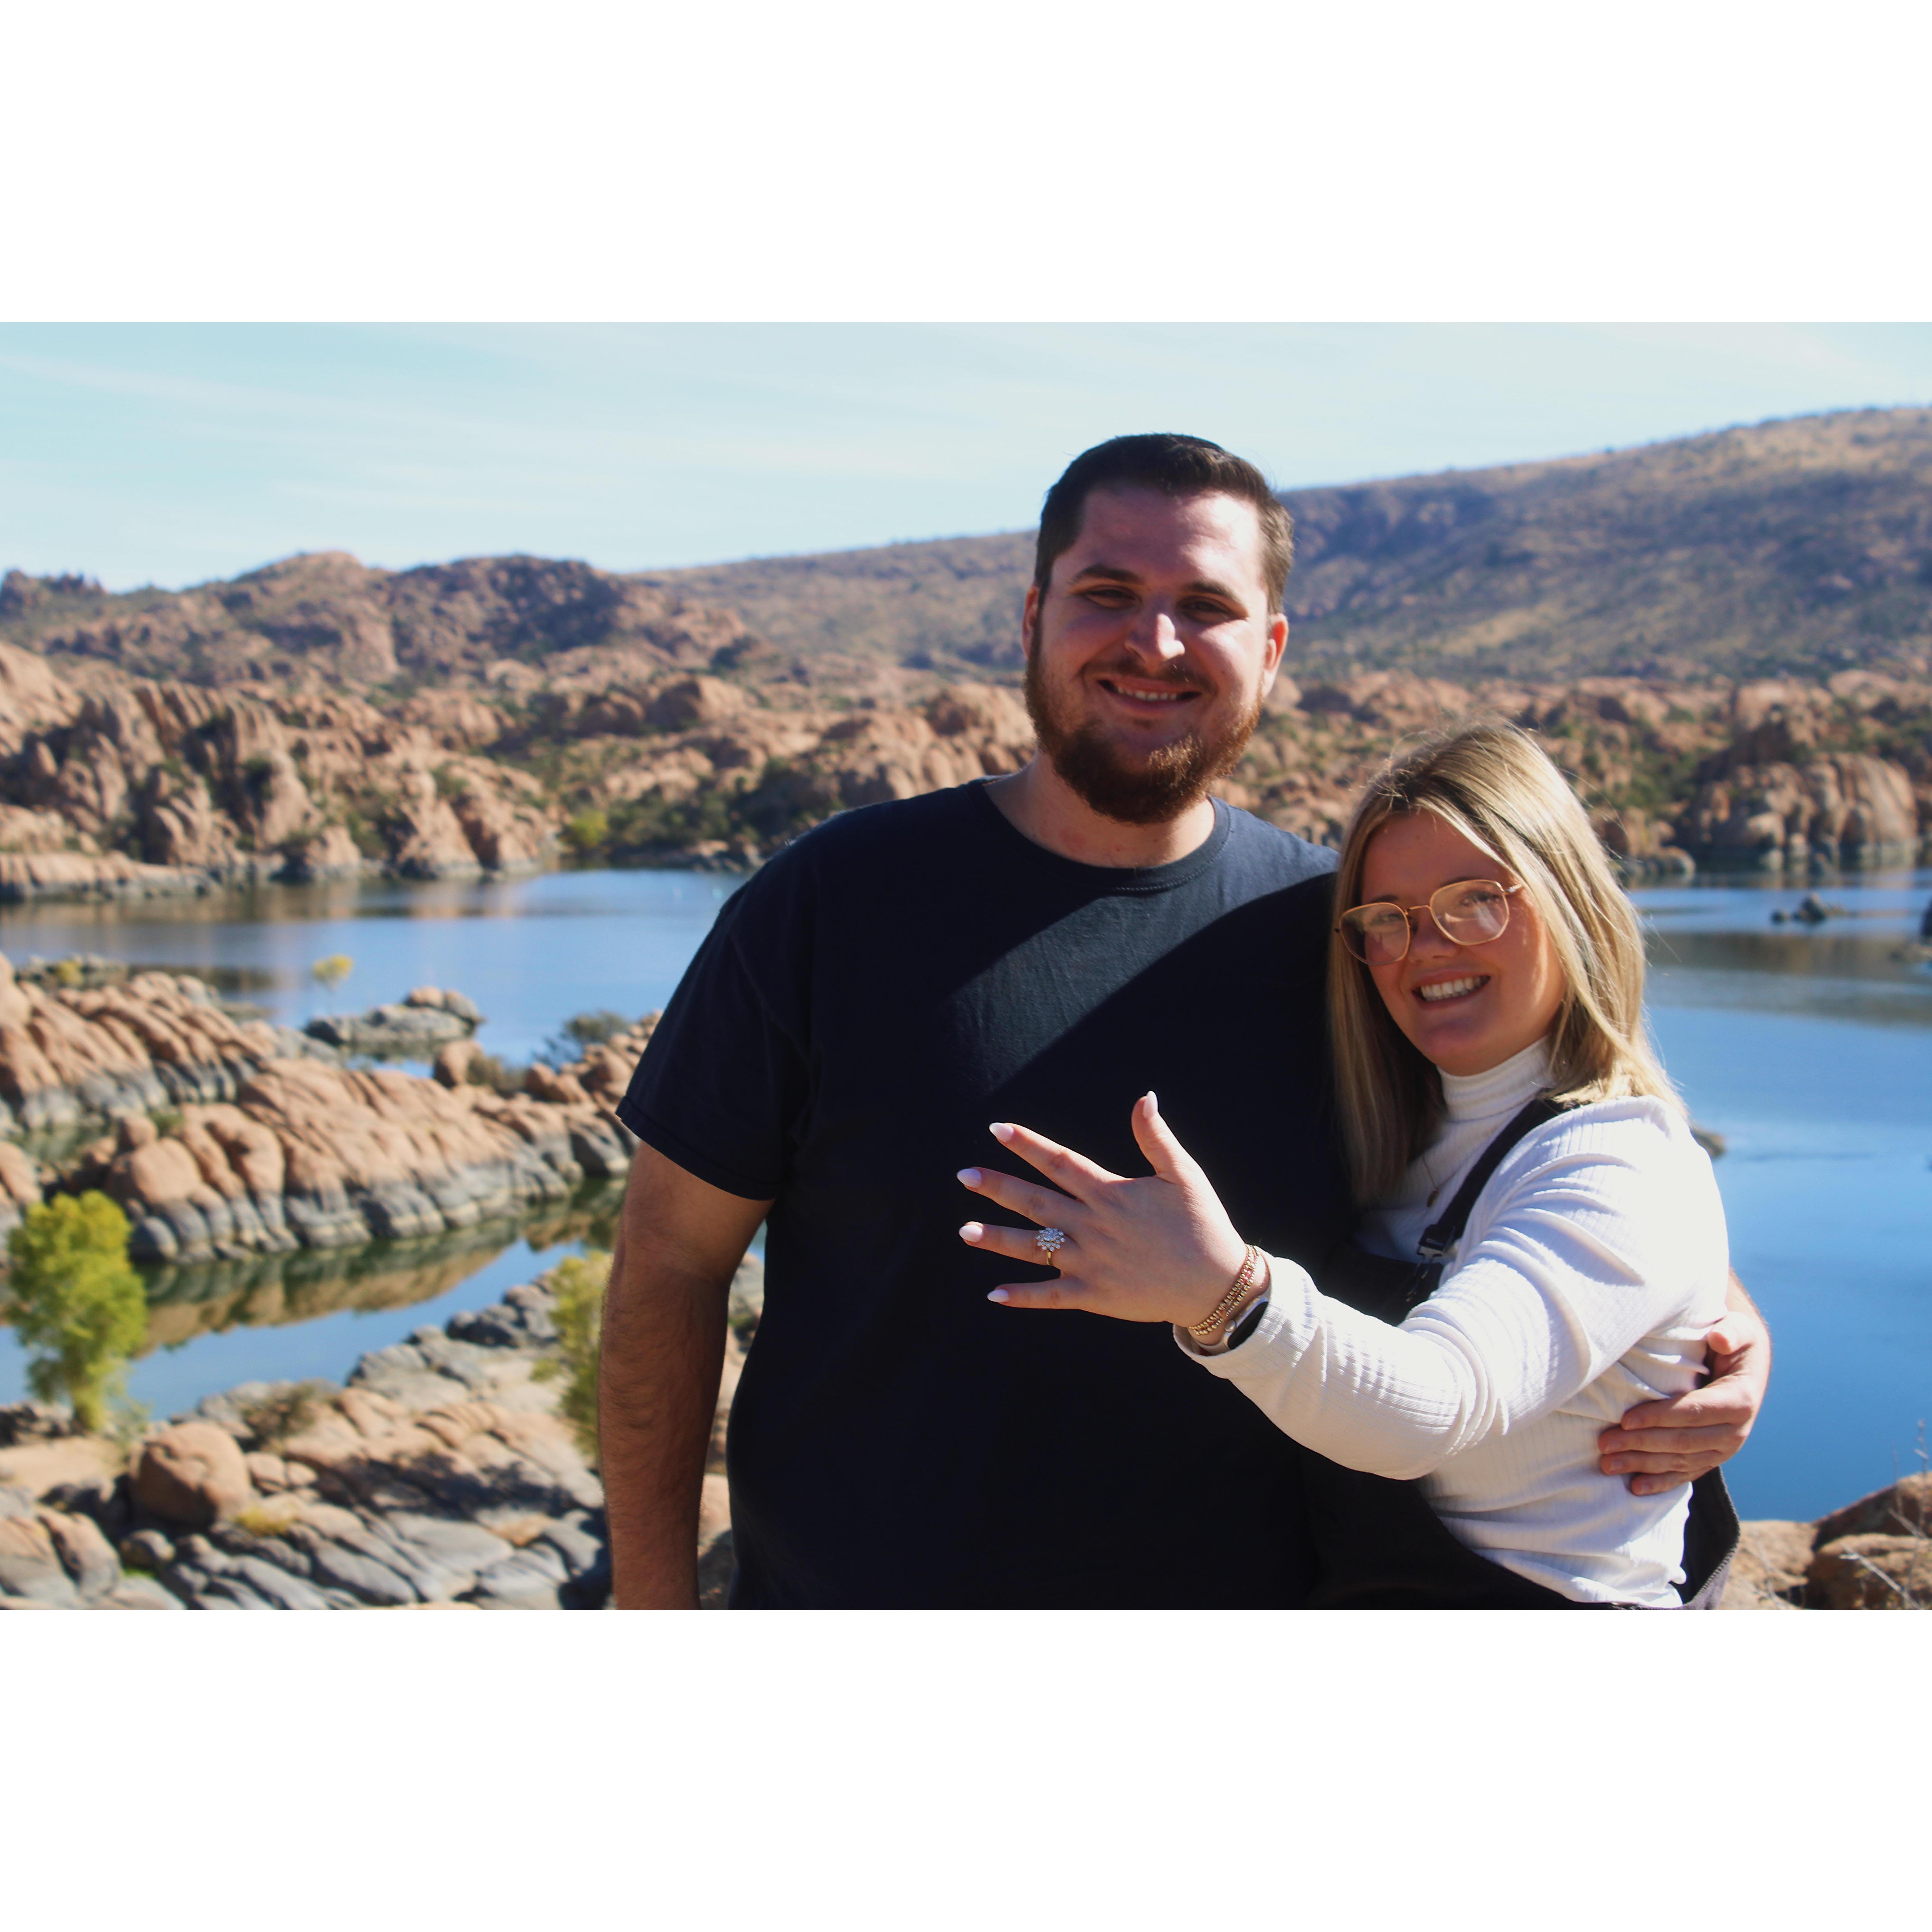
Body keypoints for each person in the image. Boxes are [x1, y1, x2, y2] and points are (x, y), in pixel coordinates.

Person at [601, 433, 1768, 1608]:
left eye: (1203, 606)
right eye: (1108, 593)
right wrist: (651, 1611)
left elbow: (1570, 1156)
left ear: (1268, 651)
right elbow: (667, 1264)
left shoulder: (1351, 939)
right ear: (1032, 616)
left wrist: (1722, 1329)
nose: (1153, 643)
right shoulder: (832, 904)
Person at [958, 720, 1738, 1606]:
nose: (1426, 947)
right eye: (1386, 922)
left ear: (1568, 902)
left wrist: (1221, 1294)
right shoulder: (1414, 1135)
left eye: (1475, 900)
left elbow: (1434, 1408)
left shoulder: (1620, 1165)